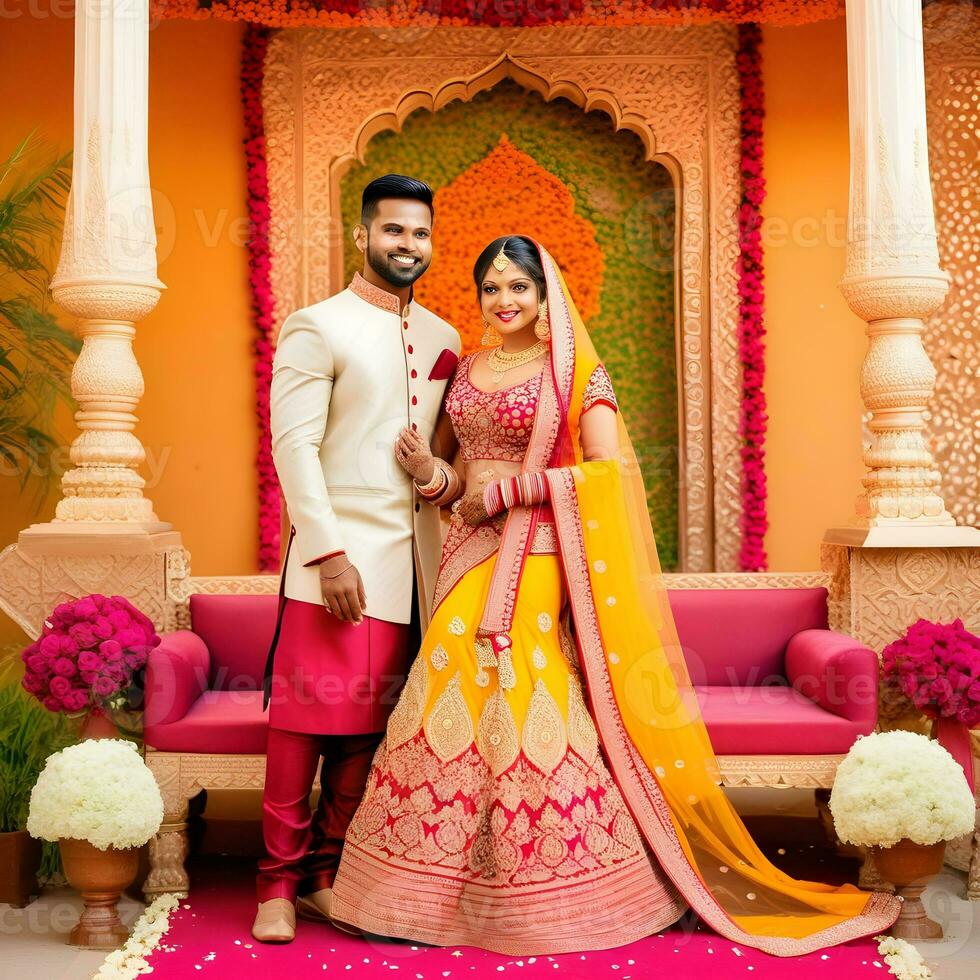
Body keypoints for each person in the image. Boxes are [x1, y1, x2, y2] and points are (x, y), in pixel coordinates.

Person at [328, 235, 901, 955]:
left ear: (545, 298)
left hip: (535, 549)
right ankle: (421, 890)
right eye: (491, 289)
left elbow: (606, 474)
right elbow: (452, 478)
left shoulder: (576, 375)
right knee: (445, 677)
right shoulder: (468, 371)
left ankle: (565, 885)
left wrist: (512, 490)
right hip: (468, 549)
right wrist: (427, 472)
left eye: (518, 288)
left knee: (515, 678)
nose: (504, 301)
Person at [253, 175, 461, 942]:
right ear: (364, 234)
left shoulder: (444, 339)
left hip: (413, 569)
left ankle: (325, 876)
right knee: (304, 724)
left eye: (420, 234)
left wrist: (436, 480)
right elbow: (293, 447)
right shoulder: (318, 326)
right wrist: (328, 553)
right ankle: (274, 884)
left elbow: (448, 459)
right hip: (333, 565)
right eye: (394, 232)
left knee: (366, 732)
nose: (408, 246)